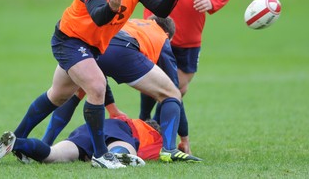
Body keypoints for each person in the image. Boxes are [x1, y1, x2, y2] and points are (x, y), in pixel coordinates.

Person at [0, 0, 191, 169]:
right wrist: (111, 7)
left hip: (93, 47)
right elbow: (98, 16)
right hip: (70, 41)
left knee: (58, 95)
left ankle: (16, 140)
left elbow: (160, 9)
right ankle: (102, 155)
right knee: (97, 86)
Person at [133, 0, 235, 151]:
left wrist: (212, 0)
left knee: (180, 87)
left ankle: (151, 127)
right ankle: (151, 130)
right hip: (155, 34)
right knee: (161, 84)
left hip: (190, 37)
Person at [38, 16, 198, 162]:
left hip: (93, 44)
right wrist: (184, 138)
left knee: (78, 91)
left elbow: (102, 77)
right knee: (171, 94)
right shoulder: (162, 37)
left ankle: (45, 144)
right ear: (168, 35)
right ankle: (169, 150)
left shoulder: (133, 23)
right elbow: (172, 89)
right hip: (123, 50)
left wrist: (113, 108)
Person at [0, 116, 164, 167]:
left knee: (53, 155)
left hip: (87, 129)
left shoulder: (120, 117)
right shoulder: (148, 131)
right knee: (125, 147)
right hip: (116, 131)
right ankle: (116, 156)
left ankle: (17, 143)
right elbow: (150, 153)